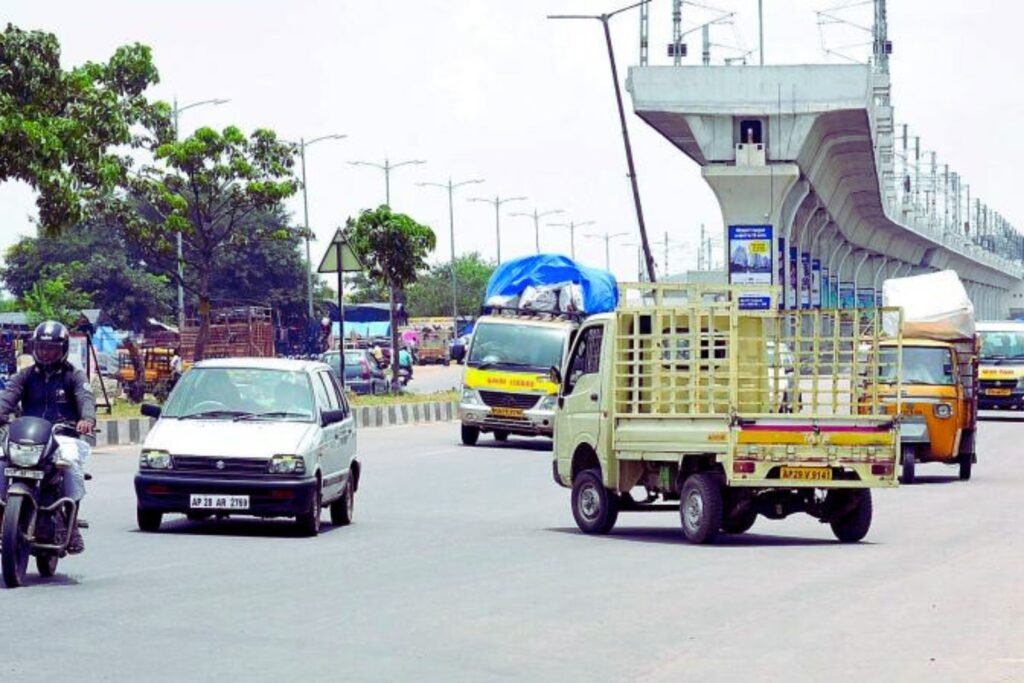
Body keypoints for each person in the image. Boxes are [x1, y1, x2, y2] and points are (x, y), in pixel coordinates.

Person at [0, 321, 96, 553]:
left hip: (63, 436)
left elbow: (85, 398)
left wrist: (86, 419)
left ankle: (71, 522)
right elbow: (8, 396)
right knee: (1, 459)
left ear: (63, 349)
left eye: (52, 348)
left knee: (70, 463)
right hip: (27, 436)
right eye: (42, 348)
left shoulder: (74, 376)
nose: (46, 353)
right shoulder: (25, 376)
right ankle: (2, 510)